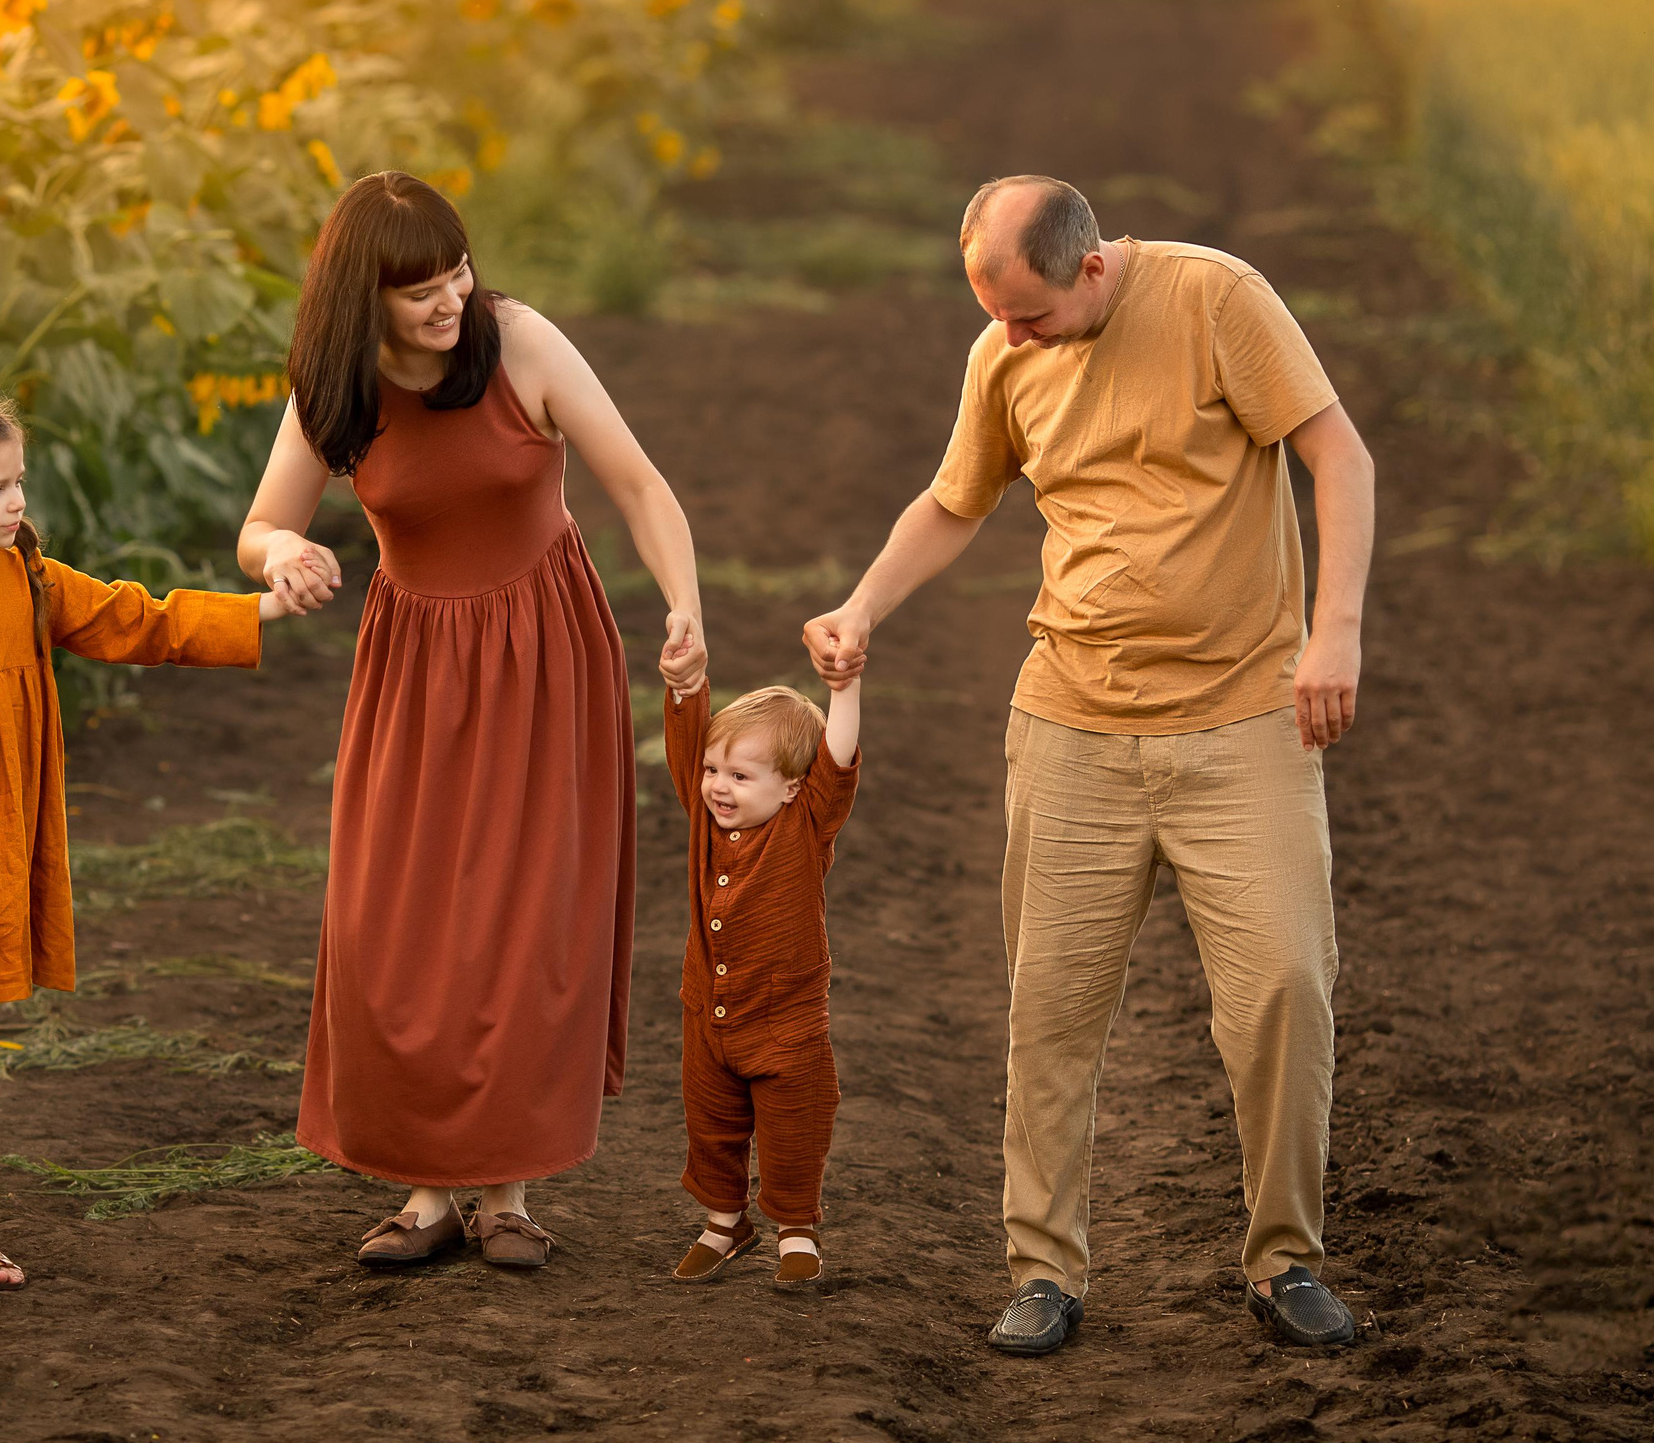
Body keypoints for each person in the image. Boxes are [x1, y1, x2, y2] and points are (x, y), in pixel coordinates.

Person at [804, 176, 1376, 1353]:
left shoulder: (1218, 299)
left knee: (1282, 989)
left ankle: (1283, 1260)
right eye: (994, 315)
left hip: (1242, 718)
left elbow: (1341, 458)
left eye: (1030, 315)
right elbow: (953, 501)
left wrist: (1337, 631)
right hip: (1071, 722)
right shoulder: (1001, 356)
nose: (1010, 338)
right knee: (1051, 1008)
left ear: (1093, 268)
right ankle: (1044, 1269)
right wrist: (861, 607)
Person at [240, 171, 705, 1271]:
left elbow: (639, 486)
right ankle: (425, 1191)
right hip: (412, 668)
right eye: (420, 289)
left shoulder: (521, 342)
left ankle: (506, 1194)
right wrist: (286, 555)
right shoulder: (333, 385)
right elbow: (263, 523)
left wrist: (684, 606)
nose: (451, 298)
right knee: (393, 925)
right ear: (364, 298)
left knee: (523, 913)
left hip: (544, 654)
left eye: (457, 271)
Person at [0, 387, 285, 1290]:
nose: (18, 502)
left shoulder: (30, 580)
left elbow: (136, 619)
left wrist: (257, 612)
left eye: (19, 481)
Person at [661, 676, 861, 1289]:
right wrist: (685, 681)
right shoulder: (704, 817)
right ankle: (726, 1223)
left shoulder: (804, 827)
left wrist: (846, 688)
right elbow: (685, 739)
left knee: (793, 1128)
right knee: (711, 1125)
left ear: (793, 787)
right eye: (714, 770)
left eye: (742, 777)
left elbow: (839, 758)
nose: (720, 786)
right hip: (708, 1014)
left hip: (785, 1023)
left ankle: (796, 1227)